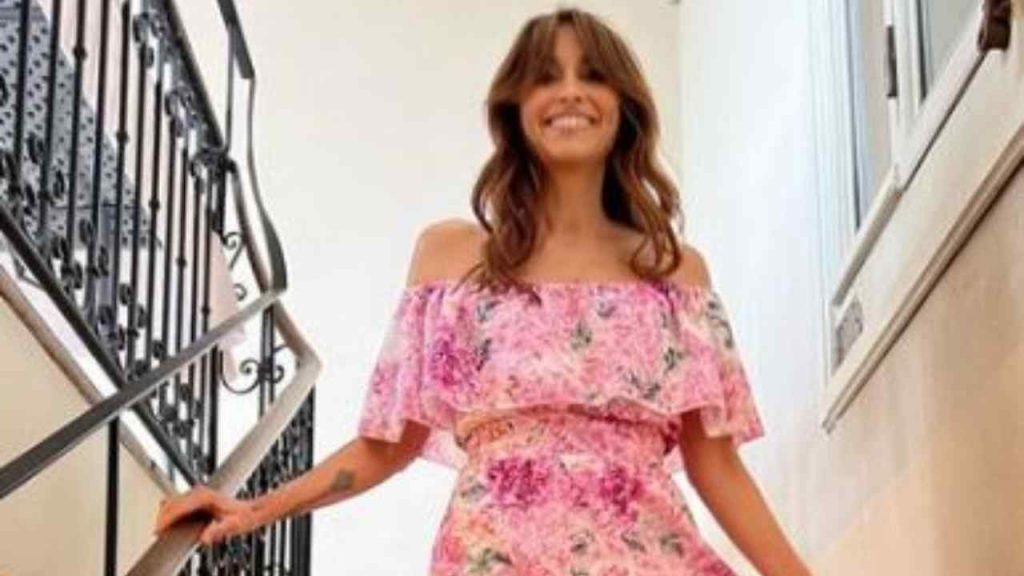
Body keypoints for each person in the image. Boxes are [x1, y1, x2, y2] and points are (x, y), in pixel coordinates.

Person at [155, 7, 812, 575]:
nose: (570, 92)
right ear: (515, 109)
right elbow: (387, 444)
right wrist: (255, 509)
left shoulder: (674, 275)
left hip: (646, 556)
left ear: (624, 107)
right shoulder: (452, 261)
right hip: (493, 557)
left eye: (592, 75)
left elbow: (716, 467)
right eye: (545, 77)